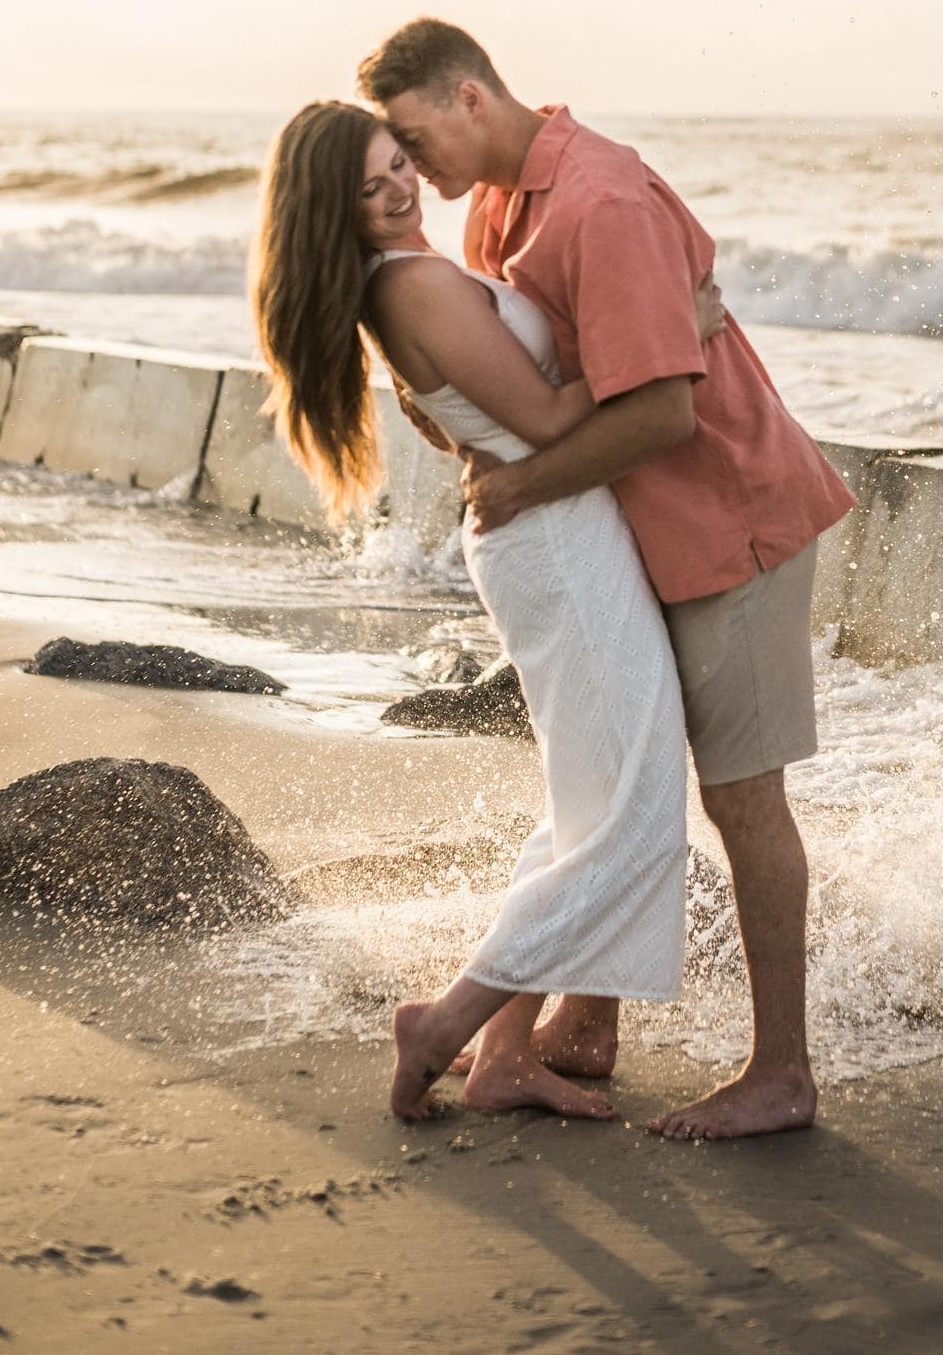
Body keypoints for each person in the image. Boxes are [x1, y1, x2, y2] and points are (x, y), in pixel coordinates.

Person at [357, 19, 859, 1141]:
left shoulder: (601, 200)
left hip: (729, 519)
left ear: (470, 96)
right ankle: (583, 1026)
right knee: (611, 782)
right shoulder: (493, 205)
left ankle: (781, 1070)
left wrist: (523, 486)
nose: (405, 166)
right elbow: (522, 380)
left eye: (408, 136)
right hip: (634, 526)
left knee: (739, 795)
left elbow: (666, 409)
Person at [251, 99, 726, 1124]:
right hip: (556, 541)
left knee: (589, 799)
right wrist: (666, 332)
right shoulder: (413, 284)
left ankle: (506, 1051)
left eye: (397, 166)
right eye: (368, 186)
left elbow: (466, 417)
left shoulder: (402, 285)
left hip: (546, 526)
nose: (397, 189)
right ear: (329, 210)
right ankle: (446, 1023)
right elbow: (554, 413)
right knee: (637, 814)